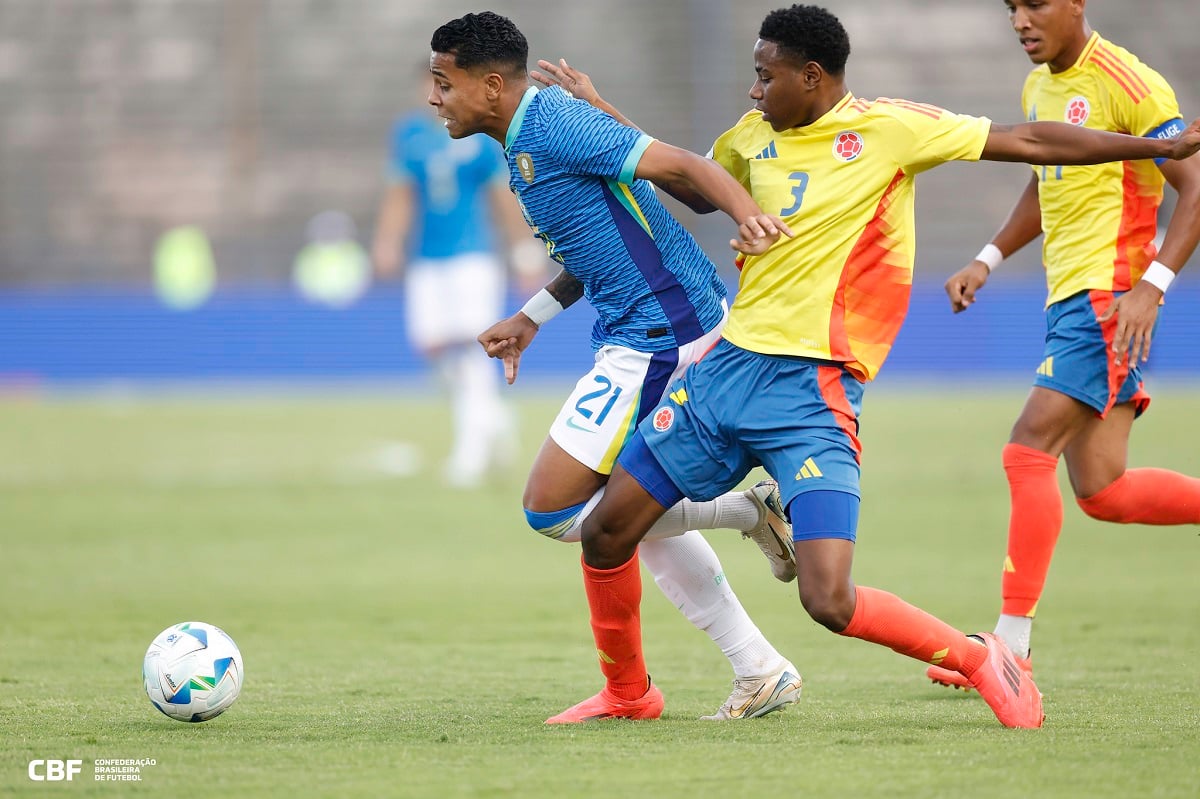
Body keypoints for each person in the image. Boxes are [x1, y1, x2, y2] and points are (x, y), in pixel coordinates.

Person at [523, 4, 1200, 727]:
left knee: (828, 600)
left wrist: (1136, 149)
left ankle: (982, 656)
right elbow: (689, 186)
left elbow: (1026, 139)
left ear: (811, 78)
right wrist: (605, 115)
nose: (753, 91)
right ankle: (630, 693)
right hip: (723, 377)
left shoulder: (890, 128)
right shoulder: (754, 136)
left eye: (765, 76)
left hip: (813, 395)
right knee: (605, 530)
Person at [431, 11, 805, 722]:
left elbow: (685, 169)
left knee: (553, 508)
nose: (433, 97)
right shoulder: (520, 142)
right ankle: (753, 670)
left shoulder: (554, 125)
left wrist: (747, 217)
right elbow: (594, 243)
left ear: (487, 87)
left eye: (442, 83)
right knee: (624, 513)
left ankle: (740, 515)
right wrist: (530, 318)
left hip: (666, 333)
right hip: (637, 334)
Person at [925, 0, 1200, 691]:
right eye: (1011, 7)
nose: (1020, 19)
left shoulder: (1132, 84)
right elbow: (1046, 177)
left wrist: (1154, 285)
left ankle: (1010, 648)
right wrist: (988, 256)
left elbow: (1195, 187)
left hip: (1110, 299)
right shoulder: (1040, 82)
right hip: (1070, 299)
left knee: (1026, 450)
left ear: (1077, 3)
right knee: (1103, 488)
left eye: (1036, 4)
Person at [371, 76, 547, 488]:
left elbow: (503, 195)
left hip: (473, 257)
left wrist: (524, 252)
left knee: (472, 348)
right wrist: (387, 241)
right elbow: (400, 193)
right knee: (431, 344)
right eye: (431, 85)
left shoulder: (478, 135)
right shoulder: (410, 135)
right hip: (427, 258)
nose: (436, 95)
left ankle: (471, 451)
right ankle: (494, 418)